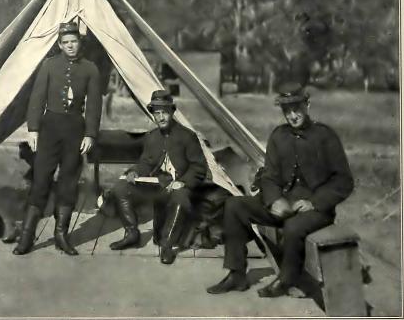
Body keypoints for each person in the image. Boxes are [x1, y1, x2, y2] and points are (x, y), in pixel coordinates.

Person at [206, 82, 354, 297]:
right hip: (283, 206)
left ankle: (286, 280)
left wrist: (315, 202)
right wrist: (274, 199)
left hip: (315, 210)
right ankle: (236, 274)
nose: (293, 116)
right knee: (234, 205)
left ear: (307, 104)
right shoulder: (278, 136)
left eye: (297, 109)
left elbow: (343, 181)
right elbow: (269, 176)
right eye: (287, 111)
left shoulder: (326, 136)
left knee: (293, 227)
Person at [13, 21, 102, 256]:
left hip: (75, 129)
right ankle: (27, 237)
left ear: (79, 43)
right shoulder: (49, 66)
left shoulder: (90, 69)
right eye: (66, 43)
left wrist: (90, 134)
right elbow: (37, 99)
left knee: (68, 182)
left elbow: (93, 105)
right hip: (49, 127)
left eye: (74, 41)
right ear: (60, 45)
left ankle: (61, 235)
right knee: (41, 178)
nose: (70, 46)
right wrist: (33, 129)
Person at [106, 90, 208, 264]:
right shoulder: (152, 137)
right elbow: (146, 162)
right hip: (157, 185)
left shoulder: (187, 136)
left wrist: (183, 182)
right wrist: (135, 172)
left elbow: (198, 167)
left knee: (181, 196)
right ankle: (132, 234)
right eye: (157, 113)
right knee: (121, 188)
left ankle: (167, 245)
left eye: (165, 113)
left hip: (179, 188)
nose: (160, 117)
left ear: (172, 112)